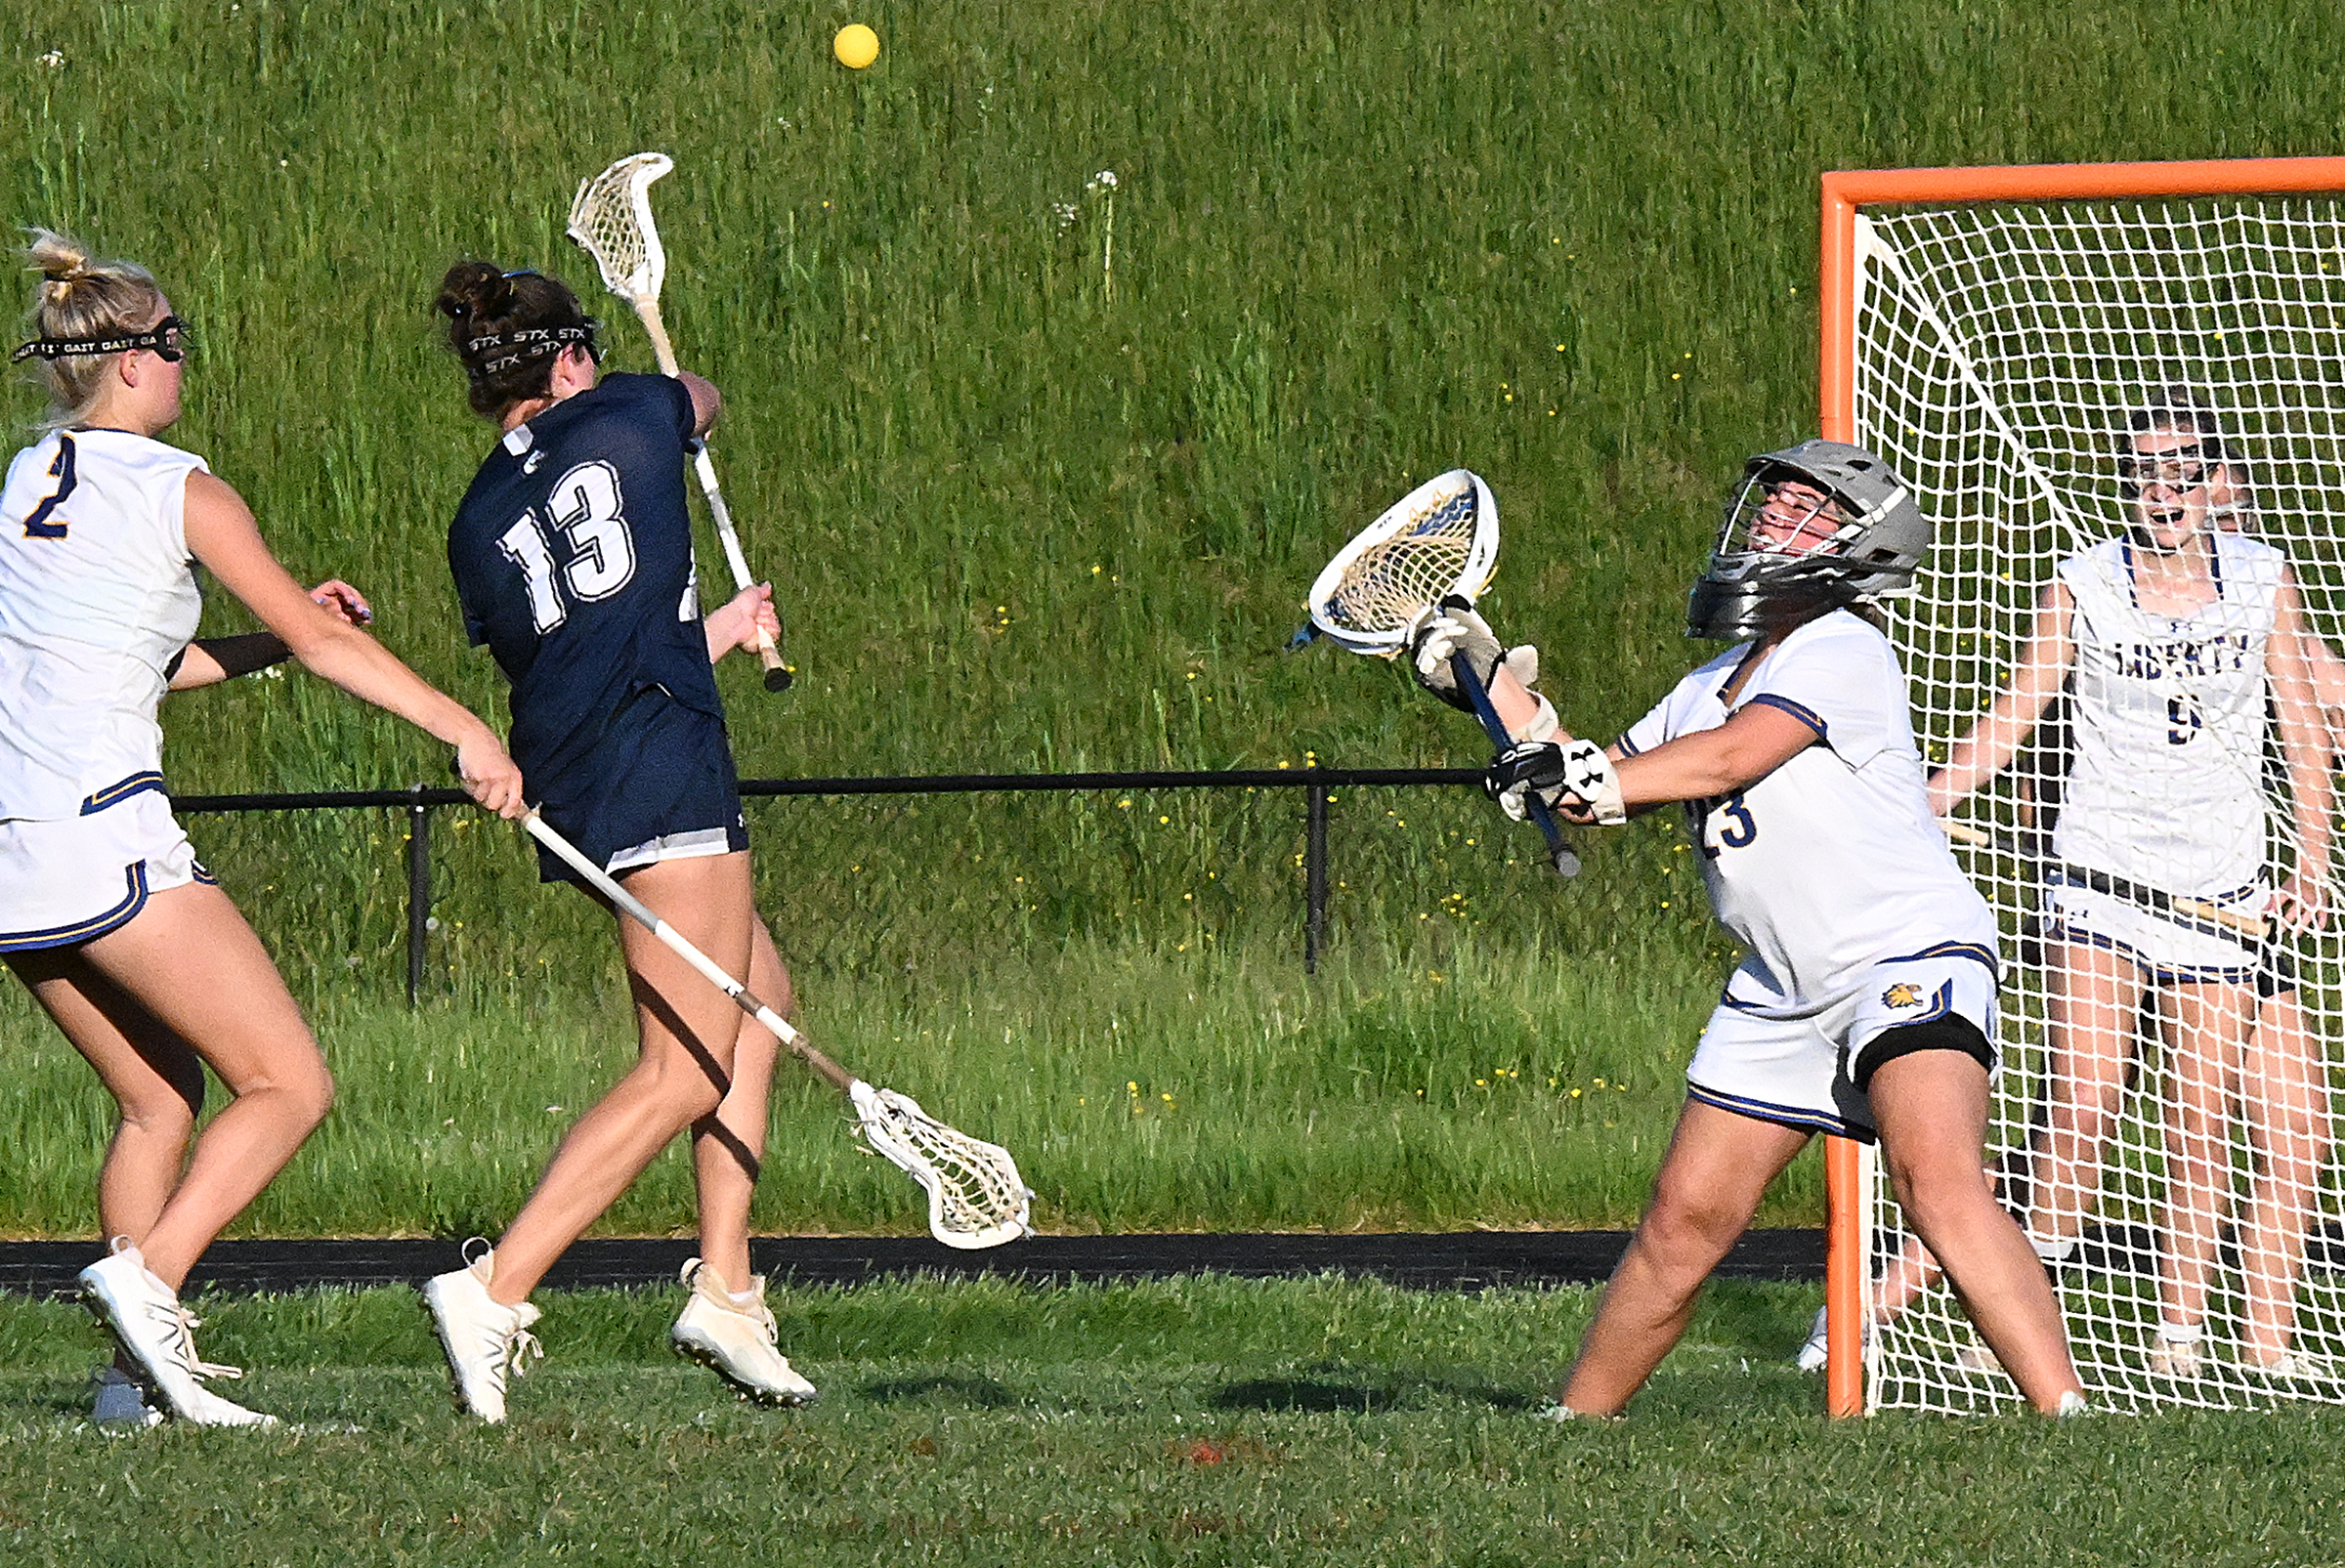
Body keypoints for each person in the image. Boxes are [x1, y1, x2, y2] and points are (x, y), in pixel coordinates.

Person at [1411, 440, 2086, 1416]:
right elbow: (1591, 779)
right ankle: (1570, 1429)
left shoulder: (1843, 647)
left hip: (1904, 952)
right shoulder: (1711, 676)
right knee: (1682, 1223)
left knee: (1932, 1176)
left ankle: (2065, 1419)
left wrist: (1584, 777)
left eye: (1806, 506)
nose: (1772, 516)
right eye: (1774, 501)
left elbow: (1731, 757)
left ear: (1861, 547)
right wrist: (1488, 677)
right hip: (1781, 985)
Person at [2, 231, 526, 1427]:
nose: (184, 364)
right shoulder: (179, 484)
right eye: (175, 344)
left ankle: (133, 1391)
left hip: (13, 849)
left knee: (158, 1104)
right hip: (104, 828)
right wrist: (464, 731)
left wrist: (262, 646)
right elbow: (339, 644)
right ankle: (149, 1282)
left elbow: (146, 656)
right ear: (131, 362)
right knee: (286, 1082)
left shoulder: (28, 479)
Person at [419, 262, 812, 1421]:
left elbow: (582, 636)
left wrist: (714, 631)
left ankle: (729, 1290)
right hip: (666, 769)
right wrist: (650, 381)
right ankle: (496, 1286)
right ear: (571, 360)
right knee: (683, 1063)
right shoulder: (636, 410)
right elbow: (704, 394)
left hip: (581, 790)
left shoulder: (475, 521)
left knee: (758, 995)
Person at [1926, 400, 2333, 1380]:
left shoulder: (2262, 582)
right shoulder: (2084, 585)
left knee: (2202, 1119)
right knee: (2084, 1100)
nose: (2166, 493)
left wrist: (2312, 857)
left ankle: (2186, 1348)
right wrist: (1929, 794)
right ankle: (2012, 1321)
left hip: (2220, 884)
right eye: (2148, 473)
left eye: (2186, 472)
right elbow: (2021, 707)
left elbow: (2302, 718)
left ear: (2218, 482)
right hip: (2104, 878)